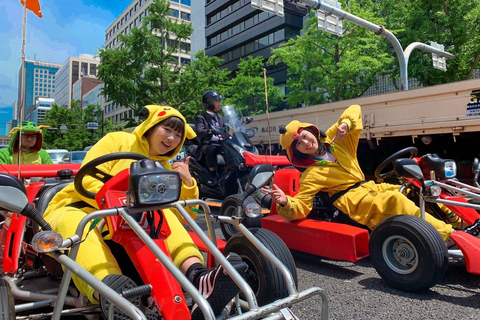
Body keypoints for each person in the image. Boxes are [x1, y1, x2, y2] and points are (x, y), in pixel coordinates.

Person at [43, 105, 247, 319]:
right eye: (167, 129)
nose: (172, 138)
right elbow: (86, 179)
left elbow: (184, 215)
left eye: (178, 135)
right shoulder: (116, 140)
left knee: (164, 212)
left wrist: (188, 182)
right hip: (84, 206)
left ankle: (198, 277)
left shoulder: (165, 167)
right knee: (77, 224)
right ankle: (111, 292)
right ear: (150, 127)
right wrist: (118, 202)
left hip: (132, 219)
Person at [264, 104, 480, 242]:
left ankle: (463, 223)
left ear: (312, 132)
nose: (306, 142)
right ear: (297, 152)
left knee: (418, 188)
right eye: (299, 144)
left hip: (369, 187)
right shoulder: (310, 174)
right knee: (394, 200)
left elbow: (355, 109)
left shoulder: (337, 142)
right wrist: (284, 202)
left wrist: (345, 125)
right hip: (351, 200)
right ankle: (452, 236)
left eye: (305, 136)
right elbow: (300, 207)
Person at [194, 90, 228, 185]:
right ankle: (213, 176)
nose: (219, 104)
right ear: (208, 103)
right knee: (211, 149)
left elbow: (226, 131)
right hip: (208, 144)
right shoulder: (201, 118)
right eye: (216, 101)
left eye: (219, 101)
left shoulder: (221, 118)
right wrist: (209, 131)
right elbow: (200, 131)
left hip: (221, 144)